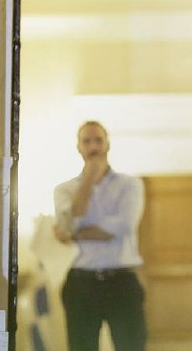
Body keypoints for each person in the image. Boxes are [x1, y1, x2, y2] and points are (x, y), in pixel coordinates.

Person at [53, 121, 146, 351]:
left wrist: (75, 233)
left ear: (108, 144)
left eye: (98, 140)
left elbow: (124, 225)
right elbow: (70, 221)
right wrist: (88, 181)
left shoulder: (130, 185)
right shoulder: (64, 190)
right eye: (87, 141)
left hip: (122, 281)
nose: (93, 146)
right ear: (78, 147)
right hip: (81, 283)